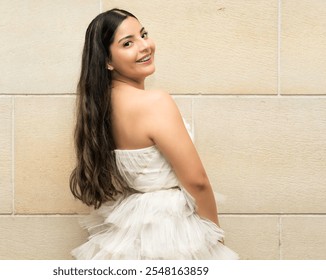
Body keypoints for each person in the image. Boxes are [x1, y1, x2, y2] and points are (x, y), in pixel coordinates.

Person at [69, 8, 238, 259]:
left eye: (143, 34)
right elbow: (197, 181)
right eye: (128, 43)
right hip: (171, 231)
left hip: (131, 230)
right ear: (107, 61)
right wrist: (215, 237)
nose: (144, 46)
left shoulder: (100, 109)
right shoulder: (154, 102)